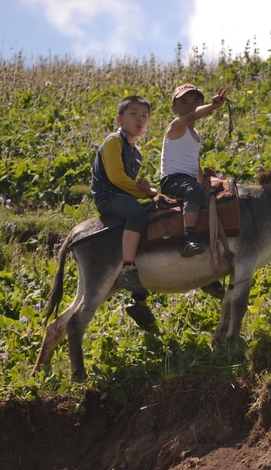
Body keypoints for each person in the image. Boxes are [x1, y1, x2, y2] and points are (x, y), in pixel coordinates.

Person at [91, 95, 157, 328]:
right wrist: (146, 193)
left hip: (125, 196)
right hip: (108, 196)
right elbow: (117, 178)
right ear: (120, 119)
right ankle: (128, 266)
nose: (140, 119)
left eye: (145, 116)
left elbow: (134, 182)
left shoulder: (136, 152)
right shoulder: (113, 142)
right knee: (137, 213)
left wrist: (148, 189)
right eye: (134, 114)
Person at [160, 84, 228, 257]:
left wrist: (203, 183)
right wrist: (213, 107)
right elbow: (193, 115)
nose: (190, 106)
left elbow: (195, 165)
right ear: (174, 108)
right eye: (184, 102)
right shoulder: (176, 125)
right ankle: (189, 237)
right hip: (173, 179)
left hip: (189, 179)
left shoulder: (196, 135)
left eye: (195, 101)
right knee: (193, 190)